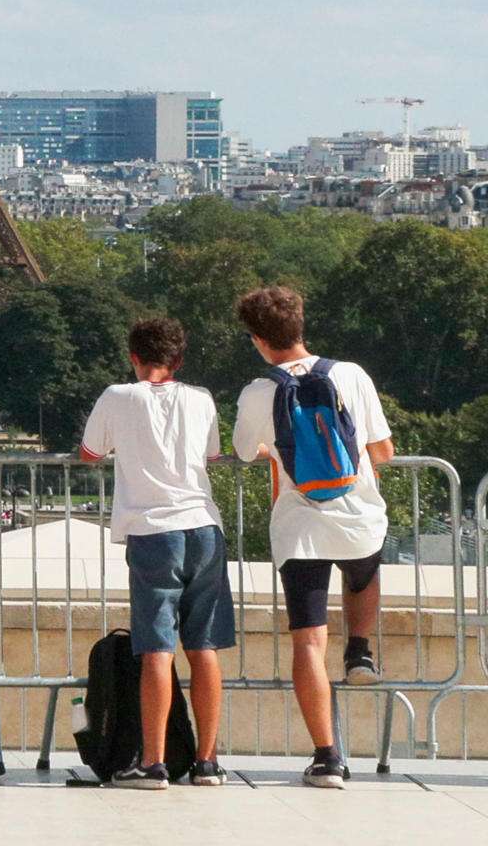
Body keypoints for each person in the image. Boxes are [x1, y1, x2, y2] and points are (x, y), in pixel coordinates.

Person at [231, 285, 393, 790]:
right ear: (301, 325)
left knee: (307, 640)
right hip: (358, 516)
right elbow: (383, 450)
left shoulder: (258, 392)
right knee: (363, 572)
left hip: (299, 527)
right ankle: (359, 649)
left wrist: (277, 452)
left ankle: (327, 757)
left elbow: (244, 451)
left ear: (258, 340)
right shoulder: (351, 375)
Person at [78, 317, 231, 789]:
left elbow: (90, 453)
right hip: (204, 527)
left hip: (153, 531)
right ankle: (207, 761)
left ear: (133, 357)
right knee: (203, 648)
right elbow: (210, 455)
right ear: (178, 359)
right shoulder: (201, 399)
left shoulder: (118, 397)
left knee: (157, 650)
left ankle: (153, 761)